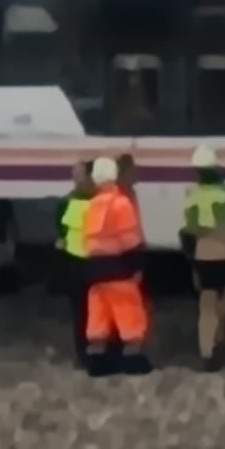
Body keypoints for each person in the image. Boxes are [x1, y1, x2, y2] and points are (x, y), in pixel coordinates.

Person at [81, 156, 152, 376]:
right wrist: (137, 266)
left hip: (95, 269)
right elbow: (129, 239)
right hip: (120, 268)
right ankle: (133, 360)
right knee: (129, 313)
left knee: (98, 315)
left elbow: (88, 240)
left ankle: (97, 362)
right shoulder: (121, 203)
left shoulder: (90, 205)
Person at [179, 146, 225, 370]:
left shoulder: (192, 197)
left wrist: (191, 258)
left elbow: (188, 232)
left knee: (206, 304)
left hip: (203, 256)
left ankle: (207, 351)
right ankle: (224, 338)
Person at [54, 162, 95, 366]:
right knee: (81, 312)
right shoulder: (69, 201)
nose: (76, 179)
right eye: (74, 175)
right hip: (77, 262)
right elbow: (60, 227)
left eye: (79, 174)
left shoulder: (96, 200)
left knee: (92, 311)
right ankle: (84, 355)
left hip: (93, 261)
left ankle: (92, 352)